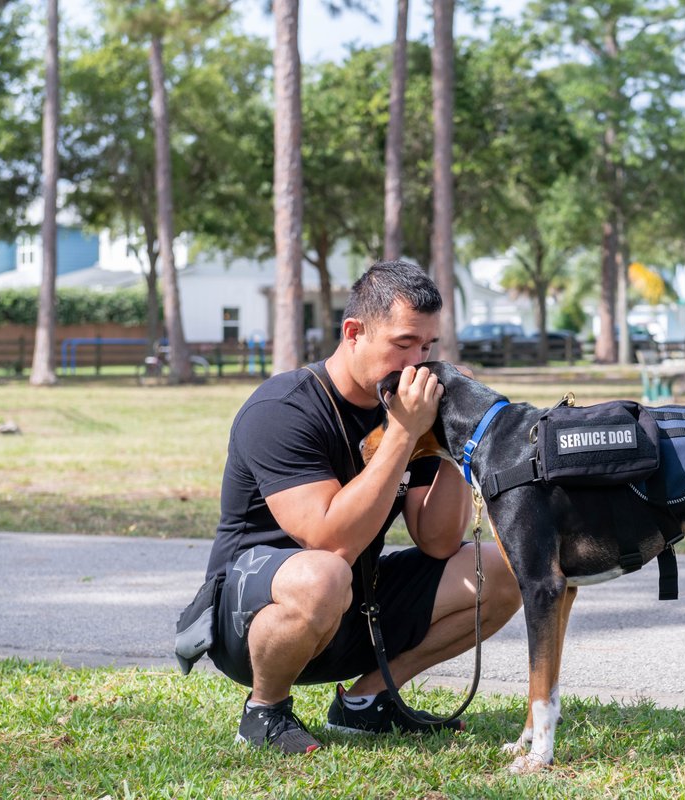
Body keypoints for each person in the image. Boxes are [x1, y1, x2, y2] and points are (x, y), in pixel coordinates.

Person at [202, 260, 522, 754]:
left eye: (428, 347)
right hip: (253, 619)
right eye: (403, 344)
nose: (417, 362)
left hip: (354, 605)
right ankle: (264, 712)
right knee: (324, 574)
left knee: (501, 568)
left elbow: (437, 541)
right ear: (353, 333)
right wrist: (403, 433)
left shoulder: (404, 408)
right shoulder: (283, 408)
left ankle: (368, 701)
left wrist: (452, 438)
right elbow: (330, 539)